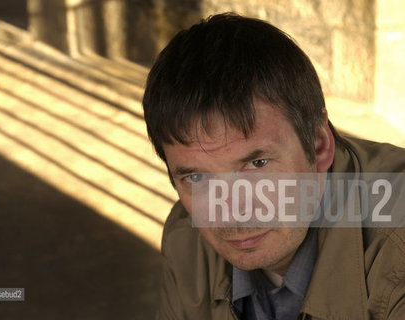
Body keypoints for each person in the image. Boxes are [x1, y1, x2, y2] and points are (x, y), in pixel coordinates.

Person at [142, 13, 405, 319]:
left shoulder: (396, 247)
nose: (231, 212)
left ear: (319, 146)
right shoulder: (185, 239)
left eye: (257, 164)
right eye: (198, 177)